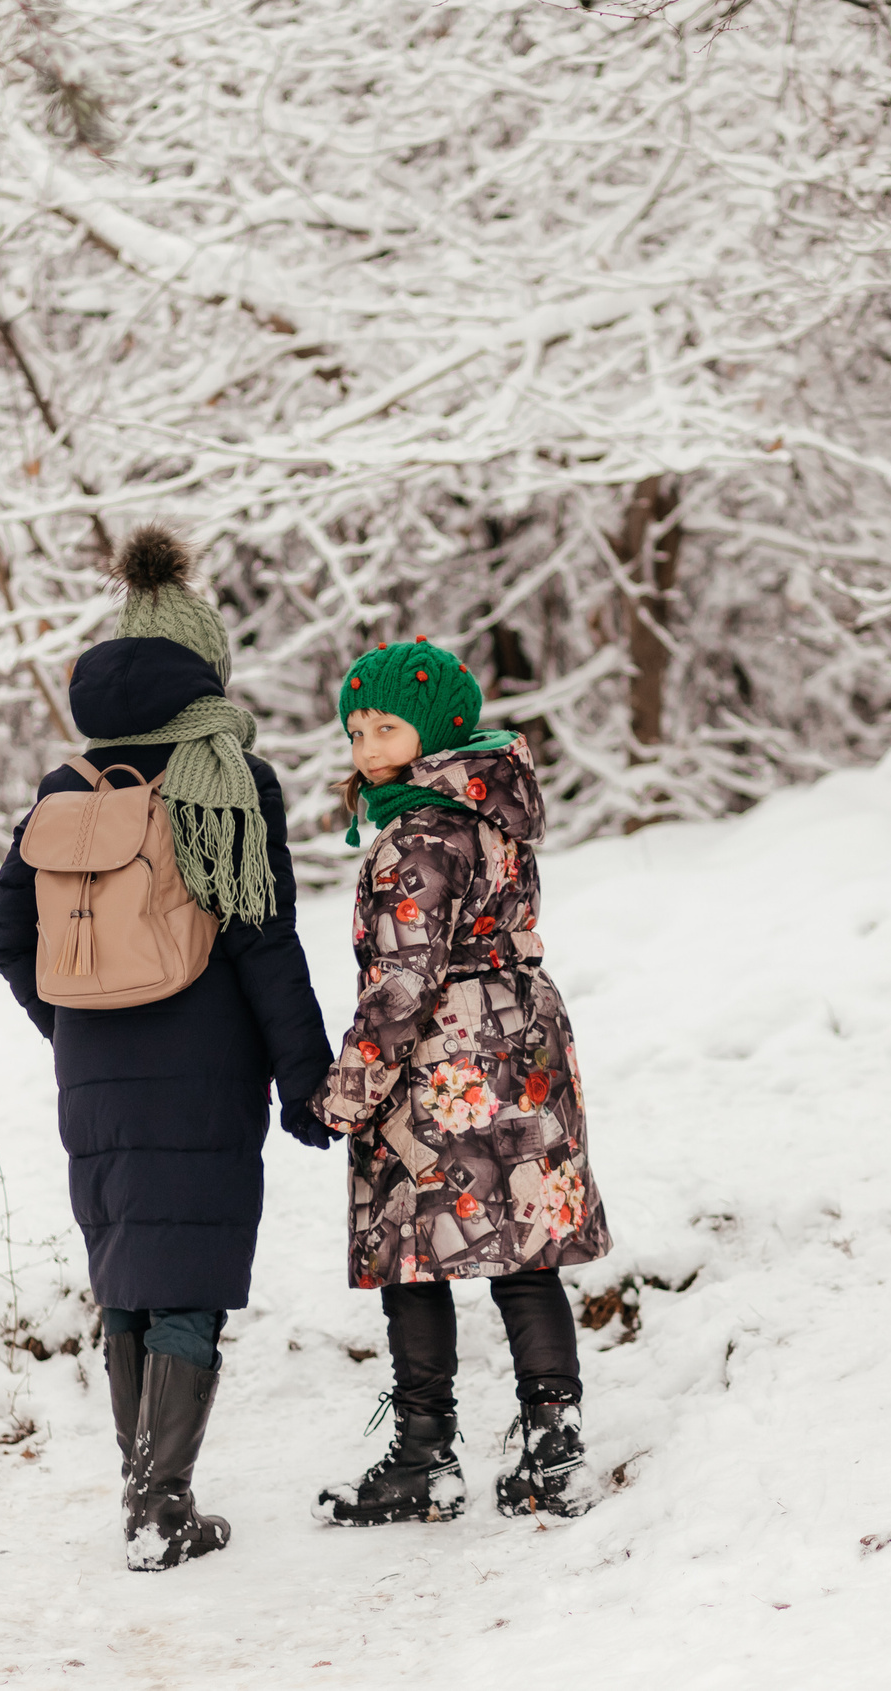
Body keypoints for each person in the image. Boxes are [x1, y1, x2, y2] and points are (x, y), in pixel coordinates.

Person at [0, 526, 332, 1571]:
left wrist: (71, 1022)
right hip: (204, 1063)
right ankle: (160, 1504)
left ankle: (145, 1495)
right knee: (189, 1276)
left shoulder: (67, 789)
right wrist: (304, 1078)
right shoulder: (228, 780)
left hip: (95, 1074)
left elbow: (6, 930)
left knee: (128, 1273)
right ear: (204, 667)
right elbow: (263, 940)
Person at [312, 638, 612, 1525]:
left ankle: (424, 1454)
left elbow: (403, 984)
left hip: (445, 1064)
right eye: (355, 731)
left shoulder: (419, 832)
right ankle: (556, 1445)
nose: (367, 747)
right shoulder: (492, 808)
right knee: (525, 1249)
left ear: (435, 727)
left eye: (386, 727)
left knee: (413, 1251)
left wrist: (346, 1091)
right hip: (521, 1043)